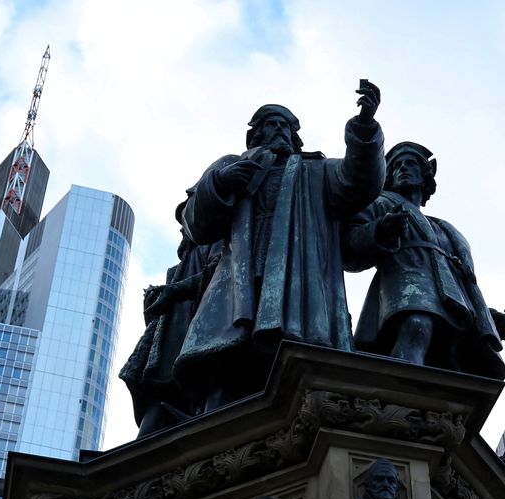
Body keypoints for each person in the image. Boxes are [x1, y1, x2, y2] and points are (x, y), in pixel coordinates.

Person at [174, 81, 386, 410]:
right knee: (225, 365)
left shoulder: (314, 170)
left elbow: (360, 181)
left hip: (295, 280)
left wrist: (364, 128)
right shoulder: (231, 165)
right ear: (255, 135)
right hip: (236, 281)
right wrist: (222, 182)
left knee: (291, 362)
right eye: (271, 125)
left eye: (285, 126)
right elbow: (194, 223)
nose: (279, 131)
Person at [342, 141, 505, 378]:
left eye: (410, 164)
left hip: (450, 300)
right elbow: (350, 243)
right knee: (417, 325)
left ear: (425, 176)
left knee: (449, 352)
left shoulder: (443, 228)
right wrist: (380, 229)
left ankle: (433, 406)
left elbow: (460, 279)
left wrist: (486, 315)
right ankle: (398, 396)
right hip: (403, 285)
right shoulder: (381, 204)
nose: (402, 169)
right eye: (396, 166)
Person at [119, 202, 222, 436]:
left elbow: (220, 275)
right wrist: (154, 304)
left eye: (186, 220)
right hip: (168, 352)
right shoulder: (176, 268)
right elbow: (160, 319)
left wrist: (175, 291)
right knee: (156, 405)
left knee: (198, 395)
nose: (182, 229)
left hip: (200, 337)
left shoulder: (216, 244)